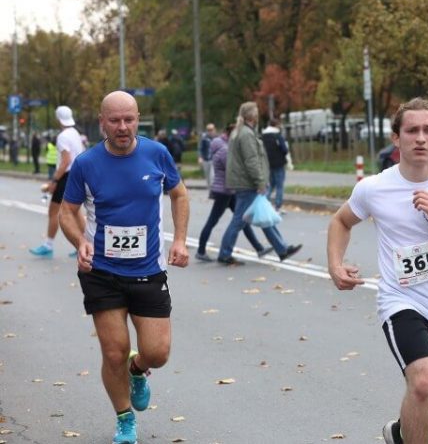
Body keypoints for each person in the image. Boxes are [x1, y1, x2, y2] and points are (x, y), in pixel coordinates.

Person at [326, 97, 428, 444]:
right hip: (399, 300)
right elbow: (341, 221)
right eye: (412, 130)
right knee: (422, 382)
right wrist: (335, 265)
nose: (420, 138)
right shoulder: (374, 188)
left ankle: (401, 432)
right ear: (396, 138)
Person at [58, 91, 190, 444]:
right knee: (114, 351)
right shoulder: (86, 163)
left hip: (148, 270)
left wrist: (179, 240)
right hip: (101, 272)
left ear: (138, 119)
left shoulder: (157, 154)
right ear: (102, 122)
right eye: (114, 120)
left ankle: (138, 369)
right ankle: (124, 418)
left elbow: (179, 194)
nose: (122, 127)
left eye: (128, 119)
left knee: (157, 354)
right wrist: (79, 242)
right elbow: (67, 211)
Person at [217, 102, 302, 265]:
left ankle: (282, 249)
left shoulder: (241, 131)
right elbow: (251, 161)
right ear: (252, 116)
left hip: (244, 182)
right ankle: (224, 253)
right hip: (248, 183)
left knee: (264, 215)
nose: (258, 115)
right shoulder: (246, 134)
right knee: (239, 220)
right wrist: (260, 182)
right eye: (256, 112)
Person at [195, 124, 272, 262]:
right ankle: (201, 251)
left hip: (228, 190)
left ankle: (259, 248)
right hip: (224, 192)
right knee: (214, 221)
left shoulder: (223, 147)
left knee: (241, 219)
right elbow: (234, 169)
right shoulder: (225, 150)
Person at [29, 106, 86, 258]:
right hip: (77, 174)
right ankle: (85, 244)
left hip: (66, 176)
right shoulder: (75, 133)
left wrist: (54, 181)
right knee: (75, 212)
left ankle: (48, 245)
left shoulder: (62, 136)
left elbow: (66, 161)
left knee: (53, 211)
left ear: (58, 119)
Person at [261, 118, 289, 212]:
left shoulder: (263, 136)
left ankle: (264, 203)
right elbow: (284, 149)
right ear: (276, 125)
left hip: (268, 163)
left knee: (271, 185)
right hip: (279, 163)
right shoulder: (277, 136)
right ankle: (278, 206)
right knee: (279, 186)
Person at [198, 123, 217, 188]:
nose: (210, 131)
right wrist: (200, 157)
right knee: (207, 176)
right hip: (206, 159)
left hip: (214, 159)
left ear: (214, 129)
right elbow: (200, 148)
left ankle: (213, 189)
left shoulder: (217, 138)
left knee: (212, 176)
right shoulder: (204, 138)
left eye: (211, 129)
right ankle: (210, 189)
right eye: (208, 130)